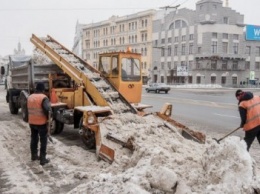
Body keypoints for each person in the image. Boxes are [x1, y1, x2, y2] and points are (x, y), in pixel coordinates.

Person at [27, 82, 52, 165]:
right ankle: (42, 159)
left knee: (34, 139)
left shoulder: (30, 97)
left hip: (32, 122)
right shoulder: (43, 98)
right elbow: (47, 110)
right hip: (41, 122)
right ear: (42, 89)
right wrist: (49, 119)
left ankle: (34, 155)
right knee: (43, 140)